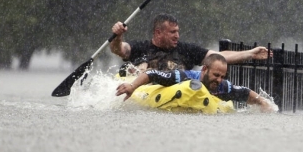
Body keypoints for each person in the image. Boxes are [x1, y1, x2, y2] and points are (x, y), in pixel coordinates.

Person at [110, 13, 271, 73]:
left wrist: (250, 53)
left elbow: (218, 56)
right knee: (140, 67)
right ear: (158, 33)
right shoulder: (141, 47)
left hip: (178, 94)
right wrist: (117, 36)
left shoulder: (186, 50)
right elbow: (119, 50)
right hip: (147, 94)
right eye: (172, 32)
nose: (177, 36)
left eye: (178, 31)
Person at [116, 53, 276, 112]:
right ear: (204, 69)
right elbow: (152, 74)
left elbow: (245, 92)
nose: (219, 80)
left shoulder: (222, 85)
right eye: (216, 75)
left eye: (222, 76)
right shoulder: (183, 76)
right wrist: (132, 86)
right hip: (162, 95)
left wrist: (262, 102)